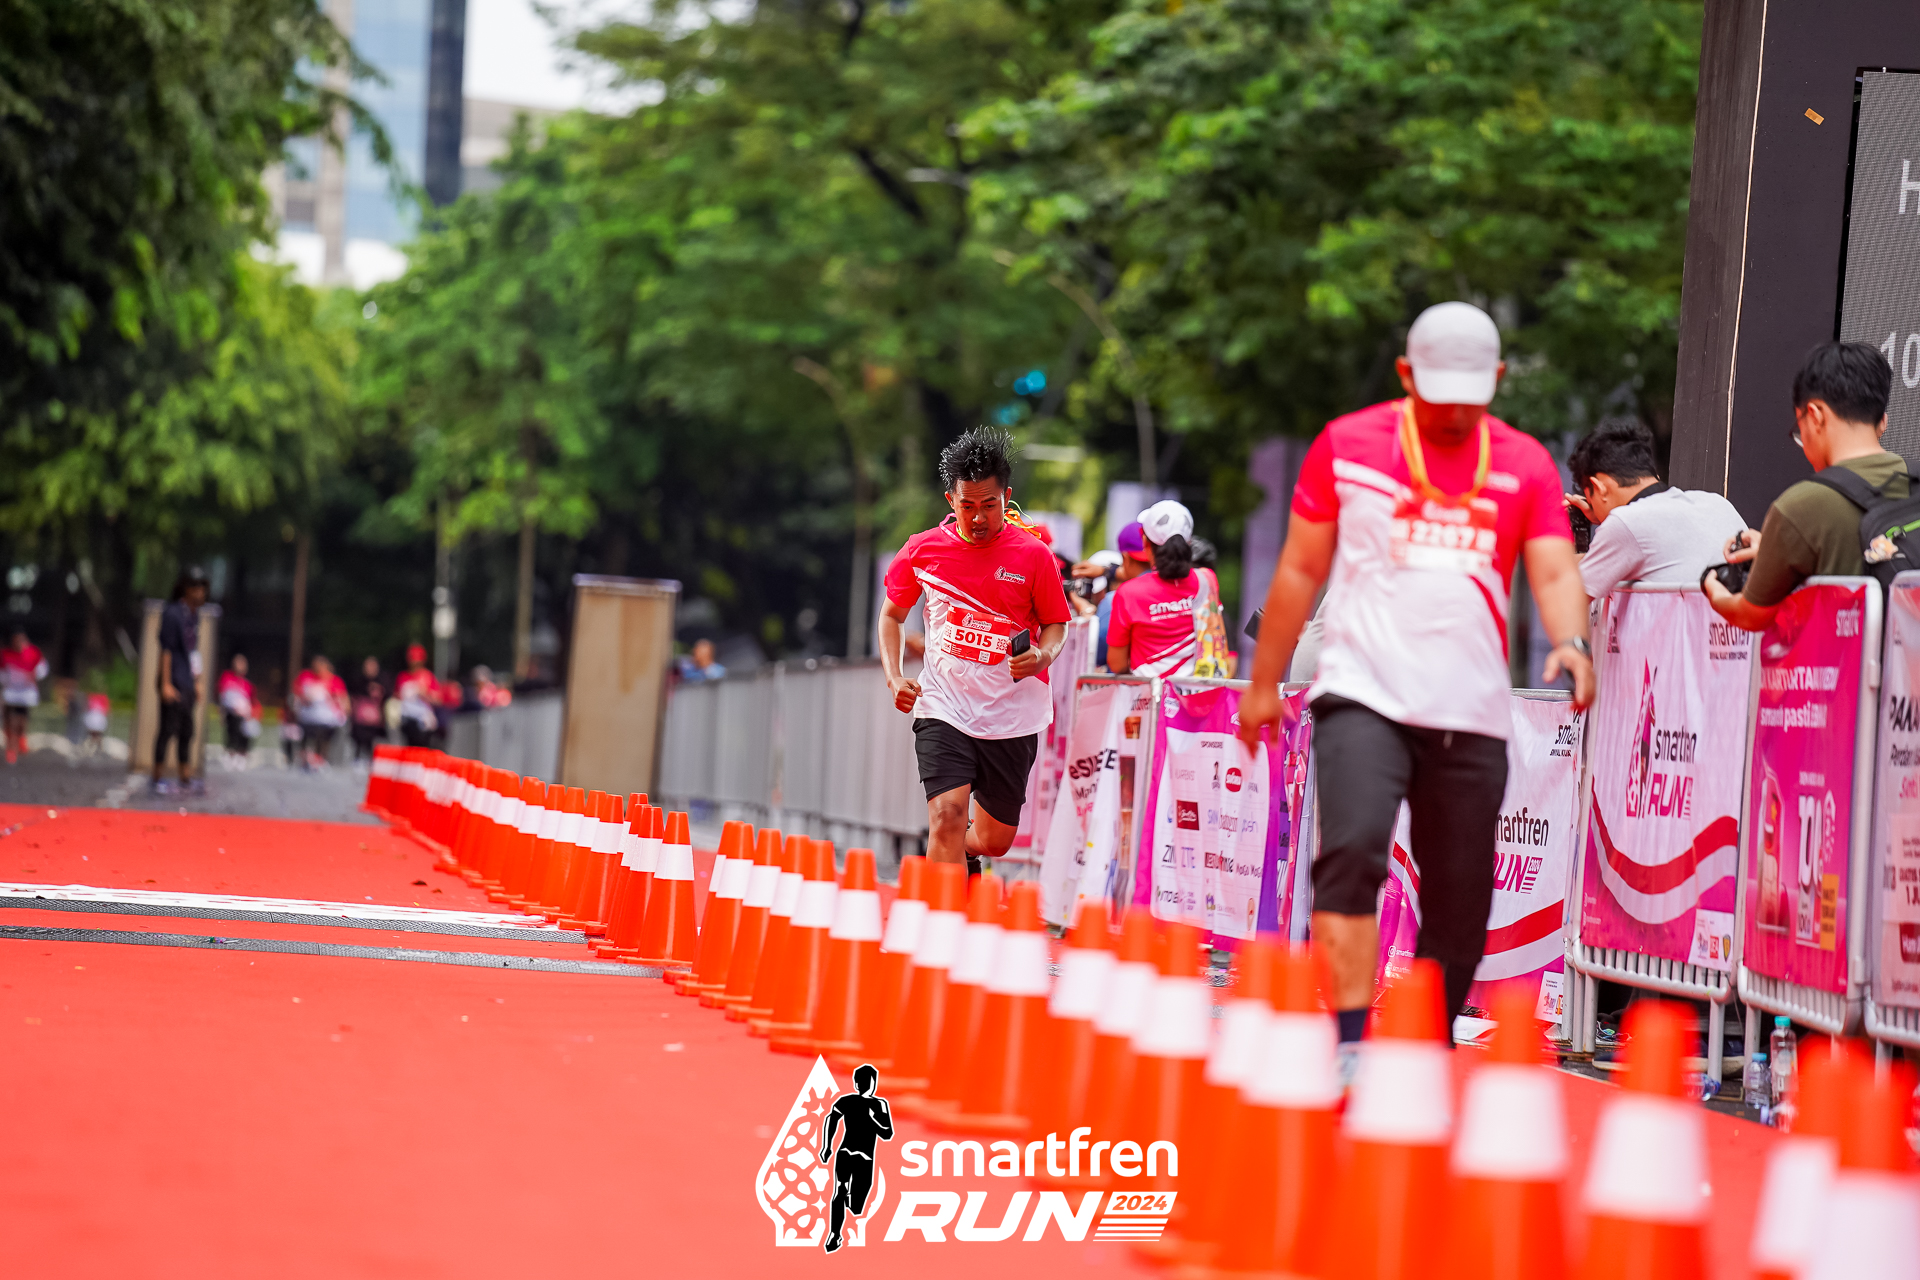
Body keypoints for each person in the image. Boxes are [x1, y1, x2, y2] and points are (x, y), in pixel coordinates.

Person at [1237, 301, 1595, 1053]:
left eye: (1472, 397)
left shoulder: (1524, 462)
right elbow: (1300, 567)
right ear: (1406, 374)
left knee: (1461, 898)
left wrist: (1572, 642)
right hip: (1363, 692)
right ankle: (1348, 1041)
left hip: (1468, 709)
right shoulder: (1347, 445)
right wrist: (1265, 682)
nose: (1456, 414)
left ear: (1497, 378)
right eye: (1439, 397)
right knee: (1353, 853)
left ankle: (1425, 1047)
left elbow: (1556, 567)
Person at [878, 426, 1072, 875]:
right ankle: (942, 912)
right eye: (968, 506)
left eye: (989, 505)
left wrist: (1042, 657)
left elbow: (1056, 624)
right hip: (943, 705)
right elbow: (892, 616)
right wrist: (894, 676)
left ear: (1007, 497)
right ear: (951, 500)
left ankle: (962, 849)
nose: (978, 517)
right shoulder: (923, 549)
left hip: (1011, 713)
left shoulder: (1034, 555)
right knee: (946, 817)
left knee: (994, 841)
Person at [1706, 341, 1901, 630]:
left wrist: (1714, 590)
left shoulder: (1801, 506)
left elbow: (1750, 615)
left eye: (1800, 427)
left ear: (1815, 415)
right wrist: (1773, 551)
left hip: (1849, 660)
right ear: (1882, 421)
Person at [1569, 419, 1746, 599]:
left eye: (1591, 500)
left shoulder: (1625, 522)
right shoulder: (1717, 502)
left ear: (1598, 487)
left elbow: (1567, 600)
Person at [1107, 499, 1230, 678]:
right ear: (1189, 542)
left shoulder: (1128, 593)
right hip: (1198, 693)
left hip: (1149, 693)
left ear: (1145, 542)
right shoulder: (1207, 580)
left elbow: (1117, 664)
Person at [817, 1063, 893, 1254]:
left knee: (854, 1204)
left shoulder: (876, 1104)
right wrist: (827, 1146)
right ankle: (835, 1234)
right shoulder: (851, 1101)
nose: (869, 1085)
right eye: (867, 1081)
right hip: (851, 1154)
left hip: (857, 1156)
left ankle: (848, 1204)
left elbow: (887, 1133)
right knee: (841, 1190)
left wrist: (872, 1120)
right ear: (859, 1083)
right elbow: (831, 1119)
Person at [154, 566, 209, 796]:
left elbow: (192, 651)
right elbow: (166, 650)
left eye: (203, 587)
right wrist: (165, 683)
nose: (201, 592)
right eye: (196, 587)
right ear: (185, 588)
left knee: (187, 731)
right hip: (173, 679)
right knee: (167, 730)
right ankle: (156, 777)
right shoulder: (172, 613)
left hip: (187, 680)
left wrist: (197, 681)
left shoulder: (193, 616)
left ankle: (185, 776)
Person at [1, 627, 48, 765]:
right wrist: (7, 680)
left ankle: (21, 741)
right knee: (10, 721)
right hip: (11, 693)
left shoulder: (33, 652)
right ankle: (11, 747)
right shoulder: (5, 654)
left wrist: (34, 675)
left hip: (25, 694)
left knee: (22, 720)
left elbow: (42, 669)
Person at [292, 655, 348, 768]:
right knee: (304, 732)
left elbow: (343, 700)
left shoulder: (335, 681)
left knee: (324, 734)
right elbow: (296, 695)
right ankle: (305, 758)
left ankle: (321, 757)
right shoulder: (305, 676)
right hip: (307, 716)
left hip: (327, 719)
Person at [217, 654, 261, 764]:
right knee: (231, 733)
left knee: (244, 735)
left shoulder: (248, 685)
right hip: (230, 714)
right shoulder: (227, 677)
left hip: (243, 716)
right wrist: (222, 712)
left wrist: (252, 715)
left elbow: (253, 703)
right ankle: (230, 753)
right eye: (238, 663)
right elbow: (222, 695)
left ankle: (241, 754)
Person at [395, 644, 439, 748]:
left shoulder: (427, 676)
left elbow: (438, 699)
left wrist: (424, 693)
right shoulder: (403, 676)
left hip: (424, 720)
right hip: (407, 719)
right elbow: (396, 696)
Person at [349, 657, 386, 763]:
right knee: (358, 731)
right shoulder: (358, 681)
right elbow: (354, 698)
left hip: (376, 718)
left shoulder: (383, 681)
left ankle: (372, 757)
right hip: (360, 717)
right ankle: (357, 757)